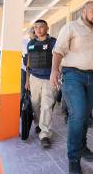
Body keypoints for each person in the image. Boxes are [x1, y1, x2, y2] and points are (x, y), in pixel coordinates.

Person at [50, 1, 93, 174]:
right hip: (73, 75)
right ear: (84, 11)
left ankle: (82, 147)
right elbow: (58, 51)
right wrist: (54, 71)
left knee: (85, 116)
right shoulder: (71, 27)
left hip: (92, 77)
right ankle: (73, 158)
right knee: (78, 114)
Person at [25, 19, 57, 149]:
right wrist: (27, 80)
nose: (38, 29)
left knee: (46, 105)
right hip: (34, 78)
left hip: (49, 78)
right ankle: (39, 124)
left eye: (41, 27)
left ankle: (45, 134)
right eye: (36, 27)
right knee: (35, 104)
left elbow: (59, 58)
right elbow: (28, 64)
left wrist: (57, 75)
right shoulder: (30, 44)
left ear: (47, 28)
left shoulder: (53, 42)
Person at [21, 27, 35, 99]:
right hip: (24, 68)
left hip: (34, 70)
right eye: (33, 32)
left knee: (31, 89)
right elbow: (27, 59)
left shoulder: (36, 41)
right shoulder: (24, 42)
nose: (35, 34)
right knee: (24, 89)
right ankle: (24, 106)